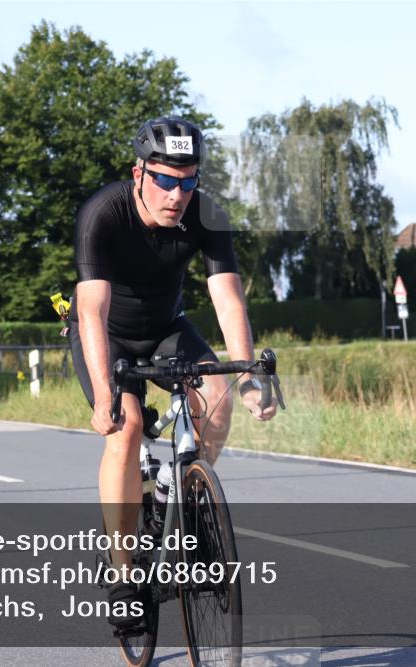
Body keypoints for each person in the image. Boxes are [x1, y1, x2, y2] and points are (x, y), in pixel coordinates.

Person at [67, 116, 277, 629]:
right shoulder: (103, 213)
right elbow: (91, 309)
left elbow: (226, 297)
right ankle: (122, 576)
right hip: (106, 335)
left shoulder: (207, 216)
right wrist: (103, 396)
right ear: (138, 173)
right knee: (128, 427)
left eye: (188, 181)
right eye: (165, 179)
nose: (177, 193)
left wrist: (248, 376)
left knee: (220, 400)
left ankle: (185, 495)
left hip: (165, 327)